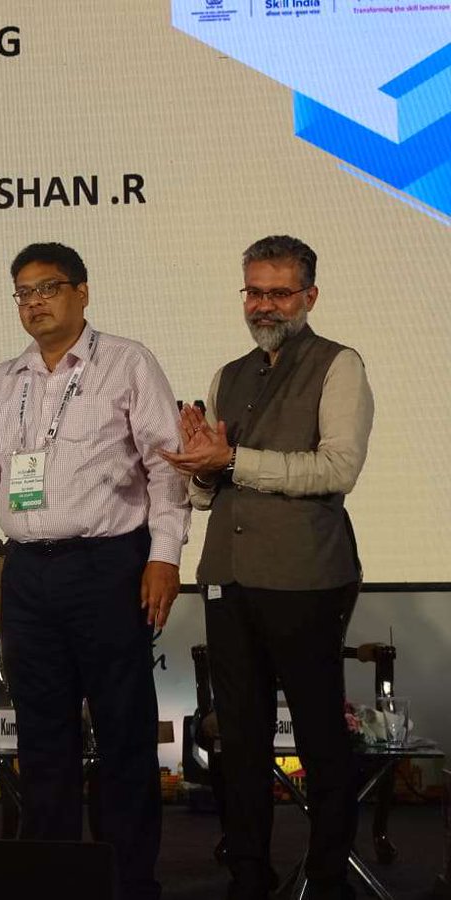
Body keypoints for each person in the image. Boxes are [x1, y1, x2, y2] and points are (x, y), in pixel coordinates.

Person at [0, 243, 188, 900]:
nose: (35, 302)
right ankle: (51, 879)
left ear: (82, 292)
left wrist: (164, 555)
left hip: (108, 568)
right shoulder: (6, 379)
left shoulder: (127, 363)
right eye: (23, 291)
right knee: (43, 741)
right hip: (27, 576)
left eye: (48, 287)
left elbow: (167, 469)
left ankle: (128, 882)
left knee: (123, 734)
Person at [161, 235, 373, 900]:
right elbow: (207, 492)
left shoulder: (339, 365)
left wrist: (232, 460)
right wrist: (200, 466)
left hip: (305, 577)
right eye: (254, 291)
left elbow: (338, 469)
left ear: (310, 296)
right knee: (240, 736)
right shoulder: (228, 374)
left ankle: (328, 875)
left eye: (279, 293)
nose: (264, 305)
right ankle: (248, 871)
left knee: (318, 734)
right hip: (228, 576)